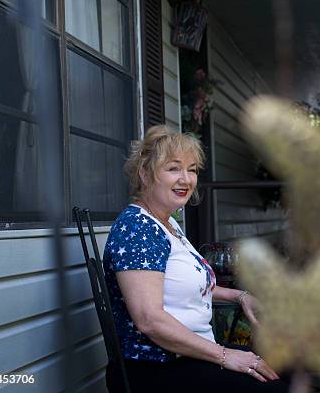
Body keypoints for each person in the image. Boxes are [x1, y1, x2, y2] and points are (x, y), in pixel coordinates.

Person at [102, 125, 287, 392]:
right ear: (144, 173)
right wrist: (224, 355)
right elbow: (148, 319)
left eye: (192, 169)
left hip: (193, 356)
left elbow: (182, 286)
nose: (186, 179)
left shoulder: (167, 224)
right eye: (174, 168)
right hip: (158, 369)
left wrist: (239, 295)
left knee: (285, 366)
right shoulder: (137, 228)